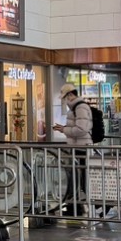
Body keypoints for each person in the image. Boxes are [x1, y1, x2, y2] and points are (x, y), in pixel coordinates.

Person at [53, 83, 93, 214]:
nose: (64, 100)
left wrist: (64, 129)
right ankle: (76, 205)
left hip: (81, 147)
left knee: (81, 177)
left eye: (65, 97)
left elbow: (81, 129)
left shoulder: (80, 107)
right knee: (77, 177)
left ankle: (82, 204)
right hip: (78, 146)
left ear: (70, 95)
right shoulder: (76, 108)